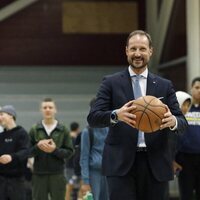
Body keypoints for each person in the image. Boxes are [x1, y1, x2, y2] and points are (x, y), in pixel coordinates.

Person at [87, 30, 188, 200]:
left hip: (156, 163)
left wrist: (173, 121)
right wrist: (116, 115)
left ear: (150, 51)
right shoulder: (111, 82)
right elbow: (93, 117)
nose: (137, 53)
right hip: (120, 163)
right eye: (133, 49)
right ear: (126, 51)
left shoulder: (165, 85)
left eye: (142, 48)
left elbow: (182, 123)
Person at [29, 98, 74, 200]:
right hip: (39, 174)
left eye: (50, 107)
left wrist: (54, 150)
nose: (47, 109)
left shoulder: (63, 129)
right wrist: (37, 146)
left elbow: (70, 152)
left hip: (57, 174)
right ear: (41, 110)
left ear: (55, 110)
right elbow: (27, 152)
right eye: (45, 107)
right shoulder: (34, 129)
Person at [175, 77, 200, 200]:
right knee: (186, 195)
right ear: (191, 89)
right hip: (184, 159)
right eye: (197, 87)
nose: (199, 90)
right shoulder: (184, 107)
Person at [80, 98, 109, 200]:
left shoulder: (111, 129)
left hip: (110, 173)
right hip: (94, 174)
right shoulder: (87, 131)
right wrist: (86, 181)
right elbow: (84, 157)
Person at [0, 105, 30, 200]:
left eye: (1, 114)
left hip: (17, 181)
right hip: (1, 181)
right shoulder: (1, 136)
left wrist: (11, 157)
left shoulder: (22, 133)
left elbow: (25, 152)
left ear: (11, 115)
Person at [65, 122, 81, 200]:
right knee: (70, 186)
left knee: (70, 185)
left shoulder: (67, 138)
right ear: (77, 129)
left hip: (68, 165)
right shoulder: (75, 140)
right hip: (73, 166)